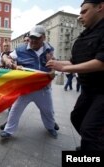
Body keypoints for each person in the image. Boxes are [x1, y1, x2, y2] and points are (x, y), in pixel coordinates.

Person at [46, 0, 104, 151]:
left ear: (100, 7)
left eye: (84, 11)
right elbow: (73, 61)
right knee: (77, 118)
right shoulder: (87, 34)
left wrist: (65, 69)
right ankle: (93, 146)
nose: (80, 16)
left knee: (90, 130)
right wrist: (56, 63)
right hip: (88, 90)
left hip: (102, 91)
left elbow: (100, 63)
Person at [0, 25, 59, 139]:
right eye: (31, 37)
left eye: (36, 38)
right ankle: (8, 131)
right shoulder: (21, 49)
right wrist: (8, 61)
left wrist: (53, 71)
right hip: (26, 88)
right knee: (15, 110)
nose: (33, 40)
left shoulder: (49, 49)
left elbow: (53, 63)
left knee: (48, 111)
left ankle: (50, 127)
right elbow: (6, 56)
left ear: (43, 38)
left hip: (43, 88)